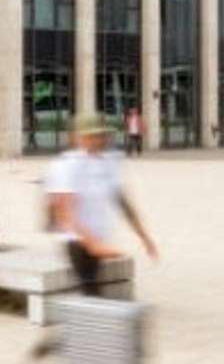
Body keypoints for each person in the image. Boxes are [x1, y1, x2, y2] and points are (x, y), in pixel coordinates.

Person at [48, 113, 159, 294]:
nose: (98, 140)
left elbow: (122, 202)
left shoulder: (109, 162)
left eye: (101, 135)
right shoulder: (66, 165)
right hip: (78, 240)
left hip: (98, 239)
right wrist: (92, 244)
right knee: (90, 293)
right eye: (91, 136)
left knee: (91, 295)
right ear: (77, 138)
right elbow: (64, 213)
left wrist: (144, 237)